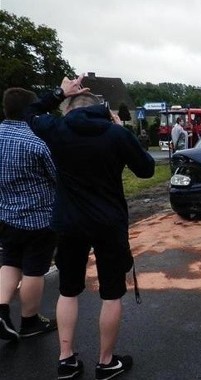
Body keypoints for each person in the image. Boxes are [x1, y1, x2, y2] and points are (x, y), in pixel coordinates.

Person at [25, 74, 155, 380]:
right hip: (108, 223)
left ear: (69, 108)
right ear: (101, 109)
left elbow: (29, 113)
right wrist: (125, 133)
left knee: (68, 291)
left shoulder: (57, 129)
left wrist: (58, 92)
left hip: (69, 222)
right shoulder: (114, 134)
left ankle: (66, 360)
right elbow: (147, 170)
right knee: (111, 294)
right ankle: (106, 362)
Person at [0, 88, 58, 342]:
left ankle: (1, 311)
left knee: (10, 262)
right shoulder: (37, 142)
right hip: (38, 219)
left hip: (6, 216)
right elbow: (56, 177)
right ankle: (30, 321)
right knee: (34, 270)